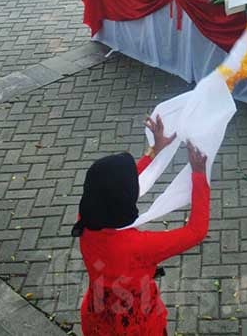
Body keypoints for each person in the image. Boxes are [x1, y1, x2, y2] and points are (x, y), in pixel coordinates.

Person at [74, 115, 210, 336]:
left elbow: (119, 188)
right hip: (138, 324)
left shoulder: (86, 218)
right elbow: (196, 231)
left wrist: (154, 150)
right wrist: (199, 176)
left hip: (98, 317)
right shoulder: (137, 246)